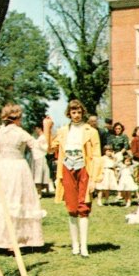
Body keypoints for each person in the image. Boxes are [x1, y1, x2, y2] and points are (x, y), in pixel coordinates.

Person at [0, 104, 46, 250]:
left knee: (5, 201)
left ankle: (6, 238)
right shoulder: (21, 133)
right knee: (18, 200)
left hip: (3, 168)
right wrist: (48, 130)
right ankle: (15, 240)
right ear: (17, 119)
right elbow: (39, 148)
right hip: (18, 168)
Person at [46, 99, 102, 258]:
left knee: (83, 206)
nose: (76, 115)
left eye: (78, 112)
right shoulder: (63, 130)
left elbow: (97, 155)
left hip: (84, 167)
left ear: (82, 113)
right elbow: (50, 148)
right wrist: (48, 129)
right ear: (69, 114)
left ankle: (84, 246)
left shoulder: (90, 131)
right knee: (71, 207)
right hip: (67, 167)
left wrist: (94, 179)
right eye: (73, 112)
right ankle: (75, 245)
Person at [30, 125, 54, 197]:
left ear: (39, 128)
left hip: (41, 158)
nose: (35, 131)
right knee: (37, 175)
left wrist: (40, 145)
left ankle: (41, 192)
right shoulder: (37, 138)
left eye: (36, 129)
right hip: (36, 158)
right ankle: (40, 191)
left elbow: (46, 148)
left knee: (40, 175)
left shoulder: (43, 137)